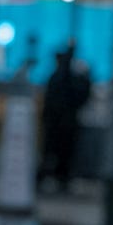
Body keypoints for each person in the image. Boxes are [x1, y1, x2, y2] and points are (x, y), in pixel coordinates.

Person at [40, 43, 86, 189]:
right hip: (59, 122)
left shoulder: (64, 77)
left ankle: (59, 178)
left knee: (58, 153)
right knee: (54, 153)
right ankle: (53, 177)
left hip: (62, 122)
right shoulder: (60, 77)